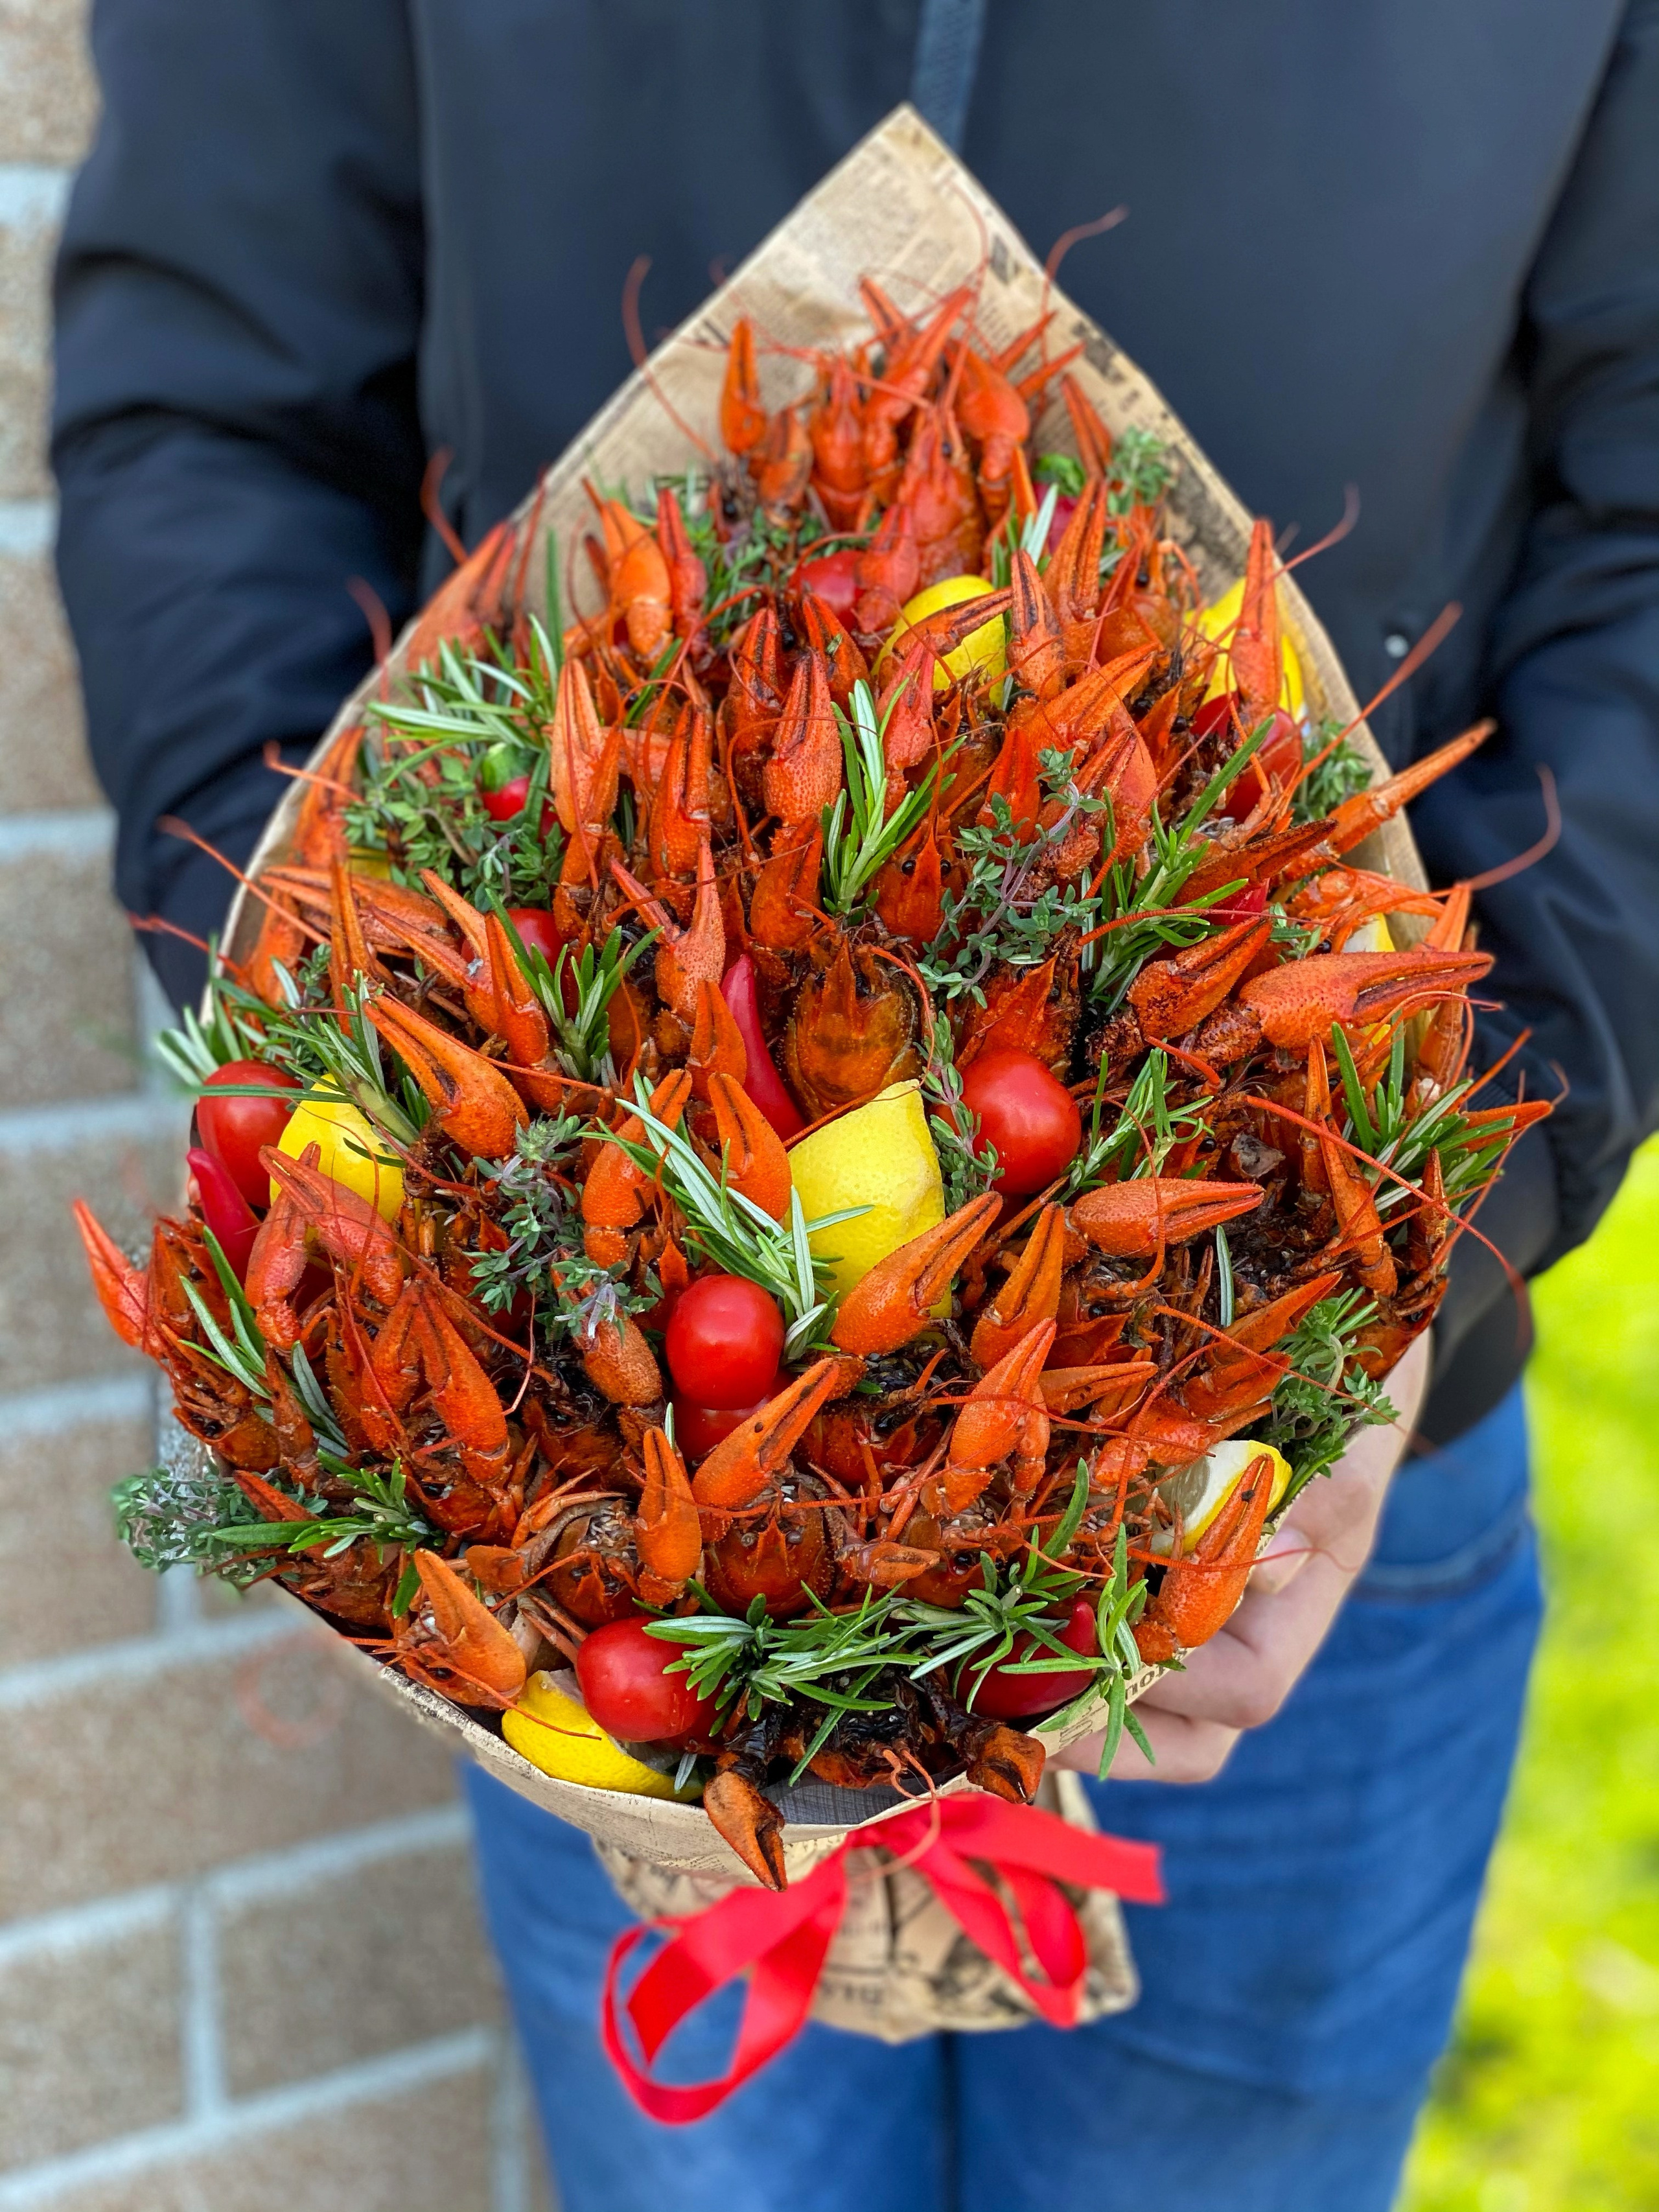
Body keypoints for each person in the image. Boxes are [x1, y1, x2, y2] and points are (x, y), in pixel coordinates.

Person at [52, 5, 1658, 2207]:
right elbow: (215, 400)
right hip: (599, 1560)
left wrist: (1469, 1191)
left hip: (1325, 1515)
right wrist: (333, 1050)